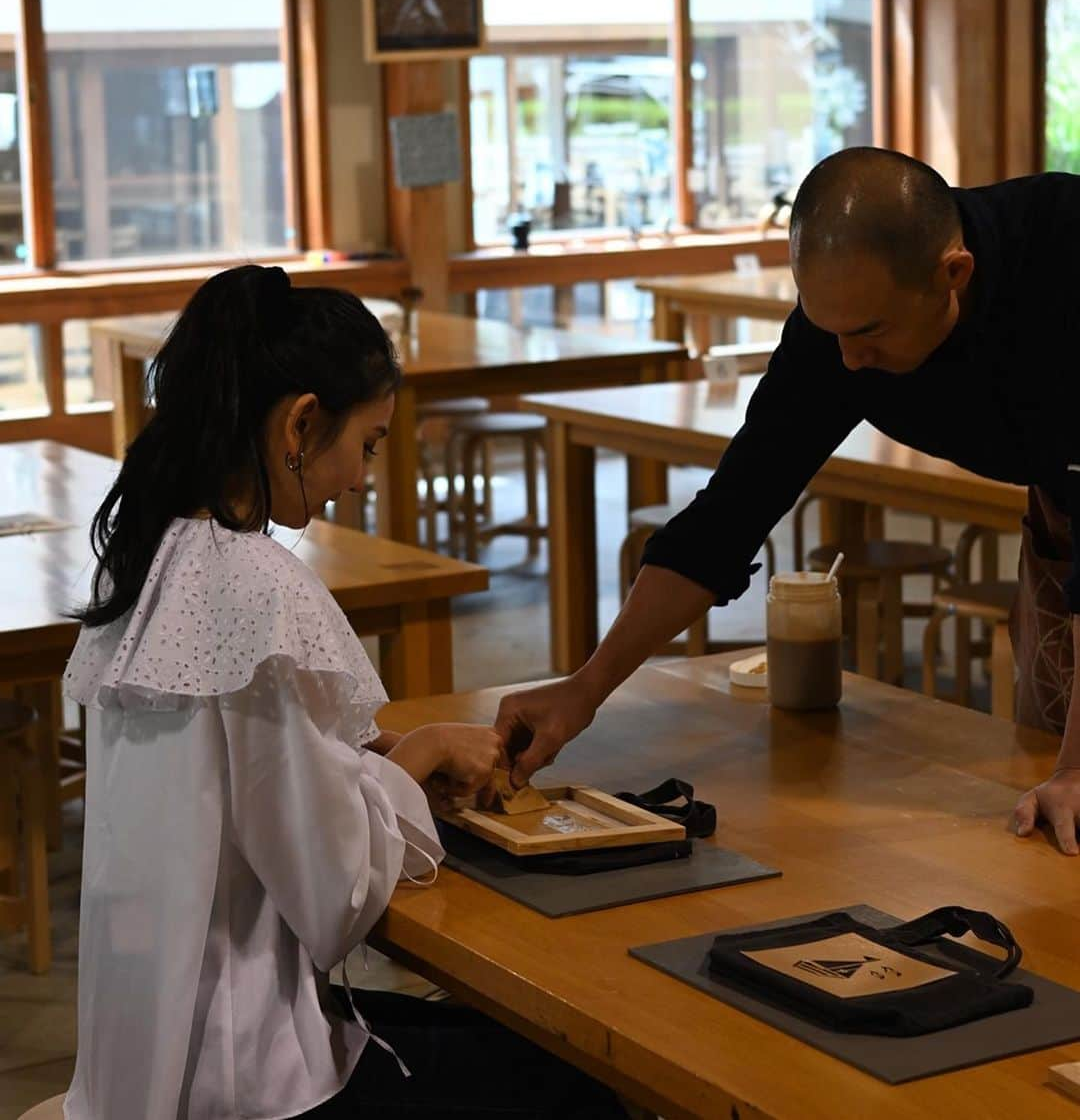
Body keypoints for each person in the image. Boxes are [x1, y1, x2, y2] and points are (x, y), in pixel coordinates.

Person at [63, 265, 625, 1120]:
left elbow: (235, 792)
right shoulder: (259, 589)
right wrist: (428, 751)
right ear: (300, 422)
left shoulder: (147, 557)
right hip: (247, 1078)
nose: (363, 478)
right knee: (574, 1079)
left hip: (134, 1065)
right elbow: (334, 901)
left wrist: (368, 765)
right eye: (366, 444)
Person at [496, 147, 1080, 857]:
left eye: (868, 335)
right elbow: (729, 515)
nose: (848, 362)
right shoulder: (839, 333)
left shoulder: (1062, 261)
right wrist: (585, 689)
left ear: (952, 275)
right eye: (827, 329)